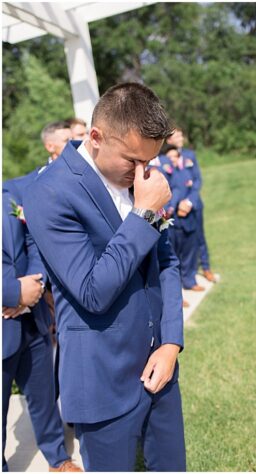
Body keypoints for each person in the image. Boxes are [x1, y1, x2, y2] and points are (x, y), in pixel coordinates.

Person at [23, 83, 185, 470]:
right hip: (102, 379)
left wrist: (171, 343)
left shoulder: (138, 178)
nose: (142, 171)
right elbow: (94, 291)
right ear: (95, 137)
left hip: (159, 366)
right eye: (133, 160)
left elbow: (167, 263)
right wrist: (144, 214)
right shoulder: (49, 193)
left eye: (150, 160)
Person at [2, 179, 82, 472]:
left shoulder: (9, 193)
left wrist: (33, 285)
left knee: (44, 395)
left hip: (32, 318)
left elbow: (32, 239)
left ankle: (58, 457)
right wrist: (12, 293)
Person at [158, 145, 204, 293]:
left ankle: (190, 281)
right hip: (172, 221)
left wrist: (188, 203)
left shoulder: (185, 172)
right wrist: (172, 207)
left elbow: (195, 189)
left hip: (188, 216)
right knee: (173, 255)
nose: (172, 160)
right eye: (169, 157)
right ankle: (176, 290)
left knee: (190, 251)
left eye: (175, 157)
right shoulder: (163, 174)